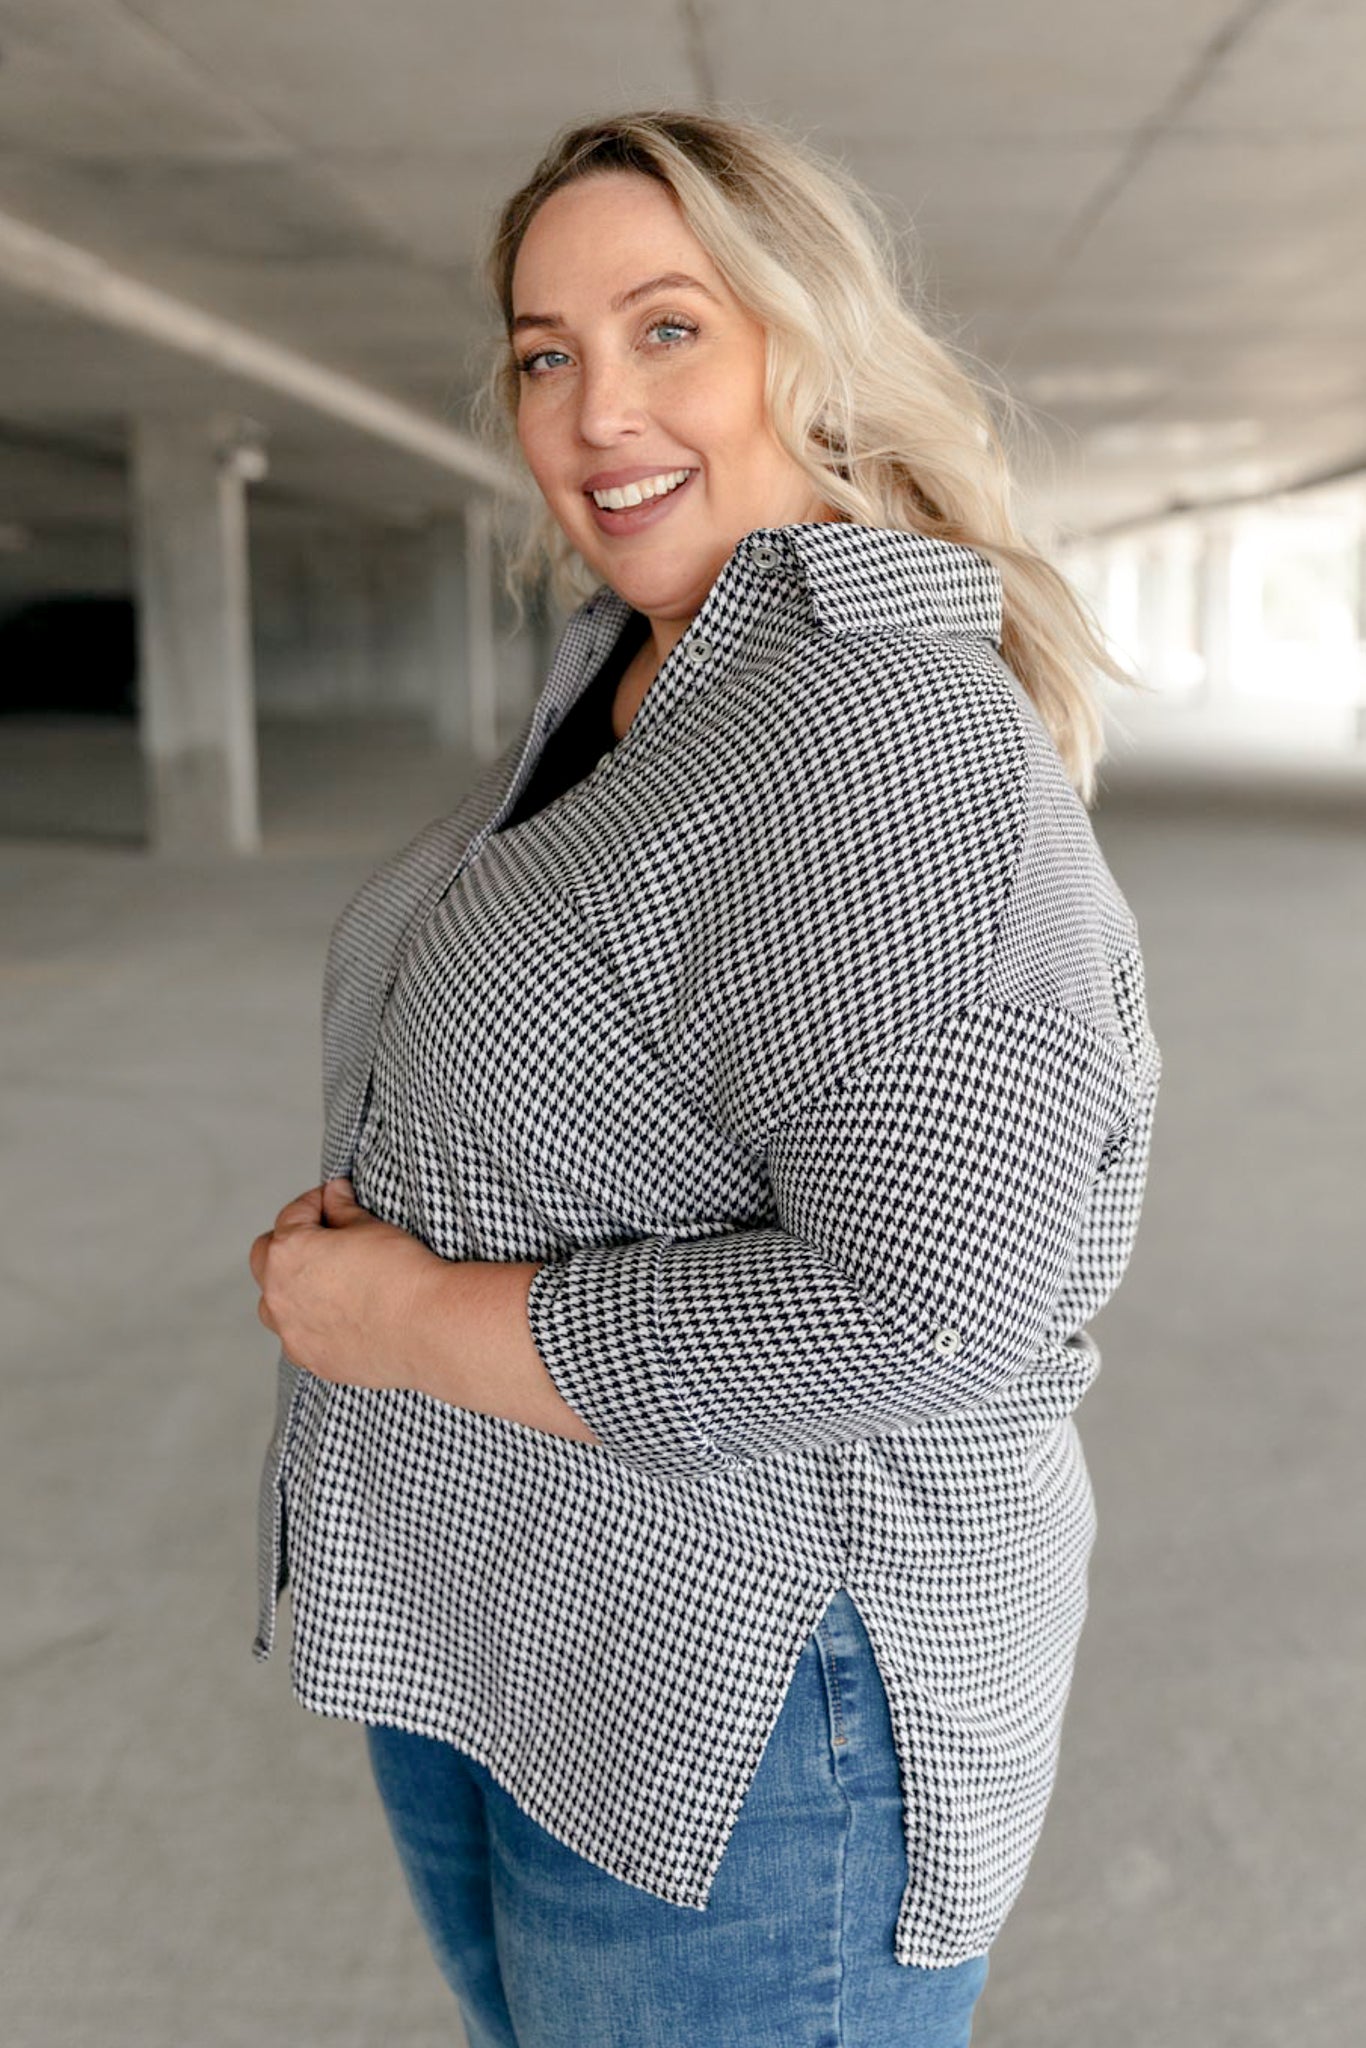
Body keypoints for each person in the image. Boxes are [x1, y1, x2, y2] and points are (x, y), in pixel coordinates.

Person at [247, 108, 1161, 2048]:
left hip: (754, 1696)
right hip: (543, 1622)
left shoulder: (865, 718)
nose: (595, 411)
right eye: (544, 354)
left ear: (804, 347)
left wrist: (400, 1318)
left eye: (668, 328)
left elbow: (929, 1306)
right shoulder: (647, 669)